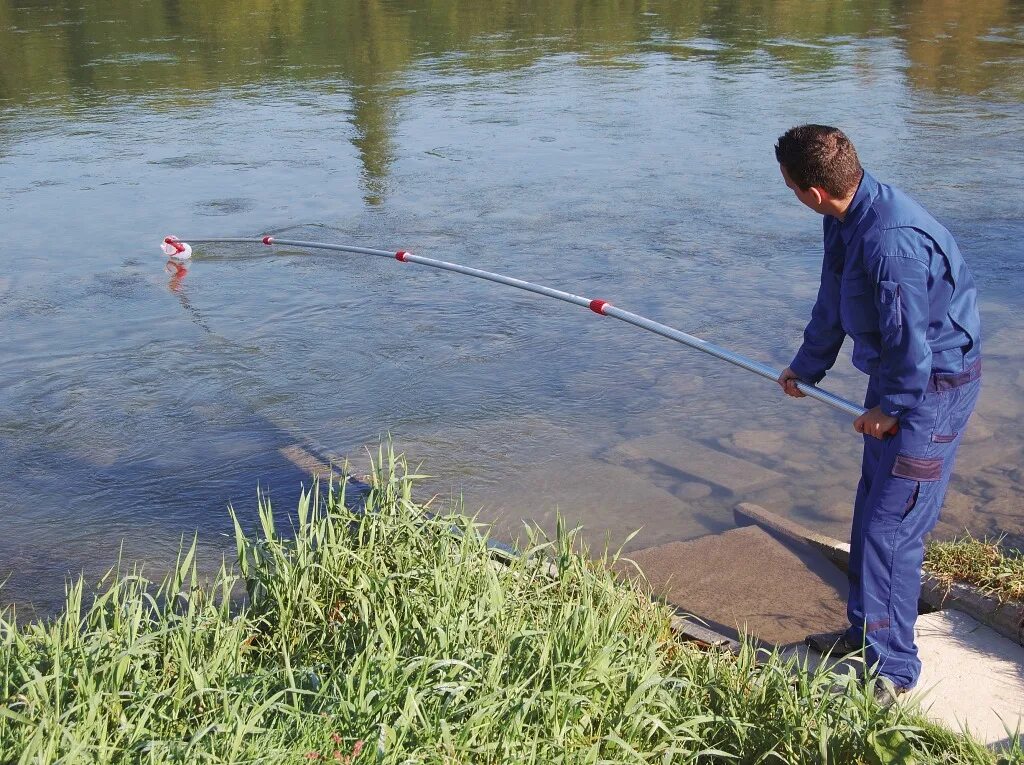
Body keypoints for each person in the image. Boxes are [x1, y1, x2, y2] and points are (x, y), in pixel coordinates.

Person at [774, 125, 981, 700]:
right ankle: (866, 633)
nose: (790, 193)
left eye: (789, 185)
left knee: (892, 529)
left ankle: (893, 672)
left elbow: (909, 342)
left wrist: (892, 408)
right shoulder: (843, 220)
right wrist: (806, 368)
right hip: (901, 379)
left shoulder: (892, 242)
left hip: (930, 389)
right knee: (870, 511)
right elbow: (832, 303)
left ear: (812, 190)